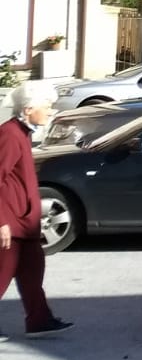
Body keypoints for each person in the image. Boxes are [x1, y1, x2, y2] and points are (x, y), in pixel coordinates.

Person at [2, 84, 72, 340]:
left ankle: (39, 320)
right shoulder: (9, 134)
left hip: (26, 223)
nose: (51, 112)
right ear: (28, 109)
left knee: (33, 273)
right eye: (46, 107)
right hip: (10, 225)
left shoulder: (23, 132)